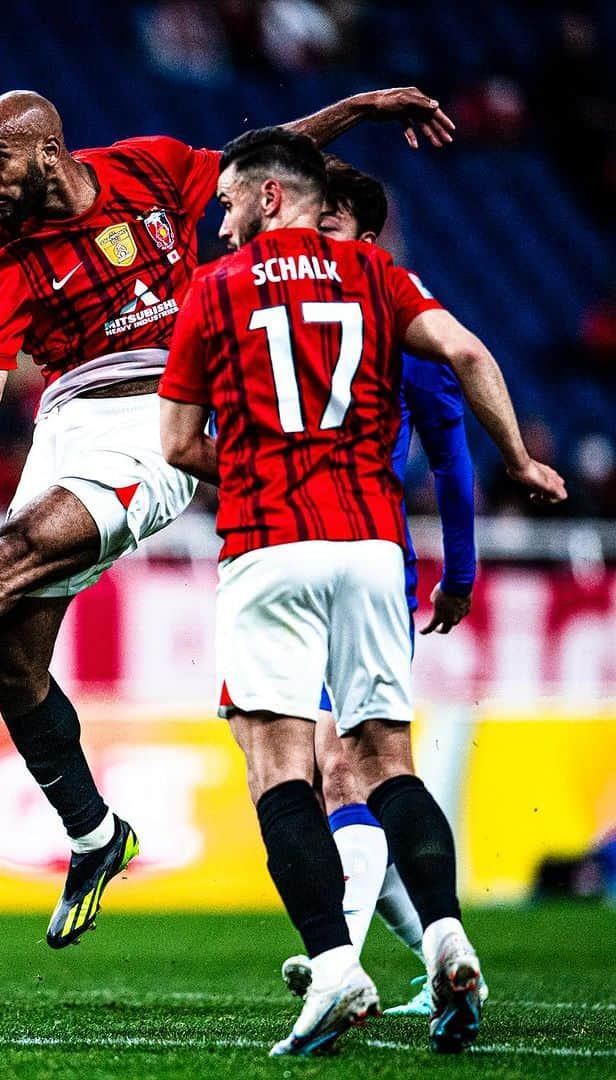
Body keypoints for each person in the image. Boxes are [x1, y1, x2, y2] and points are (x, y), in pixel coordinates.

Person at [0, 86, 456, 950]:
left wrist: (363, 106)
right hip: (68, 423)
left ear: (48, 149)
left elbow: (270, 160)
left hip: (160, 420)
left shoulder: (150, 168)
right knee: (10, 665)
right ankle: (96, 837)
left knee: (13, 555)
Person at [157, 128, 565, 1055]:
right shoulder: (378, 277)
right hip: (373, 543)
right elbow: (466, 355)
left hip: (269, 542)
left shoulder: (212, 292)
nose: (217, 222)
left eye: (226, 202)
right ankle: (446, 936)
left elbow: (178, 443)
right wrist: (522, 459)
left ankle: (336, 969)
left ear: (269, 199)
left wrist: (257, 461)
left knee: (279, 765)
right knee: (387, 762)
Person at [278, 159, 484, 1017]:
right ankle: (437, 952)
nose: (305, 242)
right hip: (284, 557)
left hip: (362, 558)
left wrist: (461, 568)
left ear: (362, 233)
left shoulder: (401, 305)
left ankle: (341, 965)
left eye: (324, 227)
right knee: (335, 768)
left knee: (341, 768)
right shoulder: (280, 304)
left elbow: (449, 447)